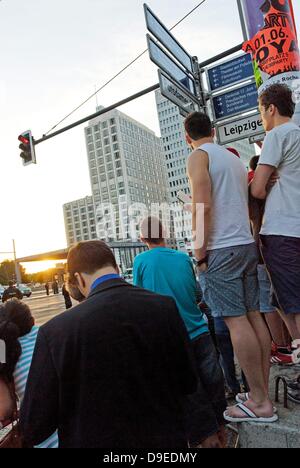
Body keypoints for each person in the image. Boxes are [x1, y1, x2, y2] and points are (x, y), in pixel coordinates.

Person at [20, 241, 198, 448]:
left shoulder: (55, 332)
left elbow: (34, 425)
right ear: (117, 268)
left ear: (77, 278)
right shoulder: (164, 307)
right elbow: (188, 382)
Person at [185, 111, 277, 423]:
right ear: (212, 130)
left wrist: (199, 253)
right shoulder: (232, 158)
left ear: (188, 138)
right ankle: (258, 392)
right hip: (244, 244)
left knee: (236, 323)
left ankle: (261, 402)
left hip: (220, 249)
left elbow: (203, 206)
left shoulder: (198, 156)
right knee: (254, 317)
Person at [134, 216, 227, 448]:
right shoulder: (183, 258)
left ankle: (208, 439)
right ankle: (222, 428)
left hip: (169, 337)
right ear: (165, 233)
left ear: (142, 238)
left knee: (191, 391)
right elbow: (197, 293)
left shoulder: (141, 261)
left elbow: (139, 298)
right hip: (199, 329)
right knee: (213, 382)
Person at [251, 84, 300, 403]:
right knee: (283, 302)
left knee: (293, 305)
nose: (262, 118)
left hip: (282, 229)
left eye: (261, 111)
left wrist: (264, 180)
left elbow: (256, 189)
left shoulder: (278, 135)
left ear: (271, 108)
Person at [249, 154, 293, 365]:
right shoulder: (284, 185)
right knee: (283, 300)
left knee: (272, 302)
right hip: (285, 244)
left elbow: (250, 211)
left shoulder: (255, 191)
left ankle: (283, 347)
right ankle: (289, 346)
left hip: (264, 248)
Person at [0, 299, 58, 447]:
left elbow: (3, 410)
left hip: (46, 441)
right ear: (32, 321)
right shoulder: (55, 335)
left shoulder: (4, 352)